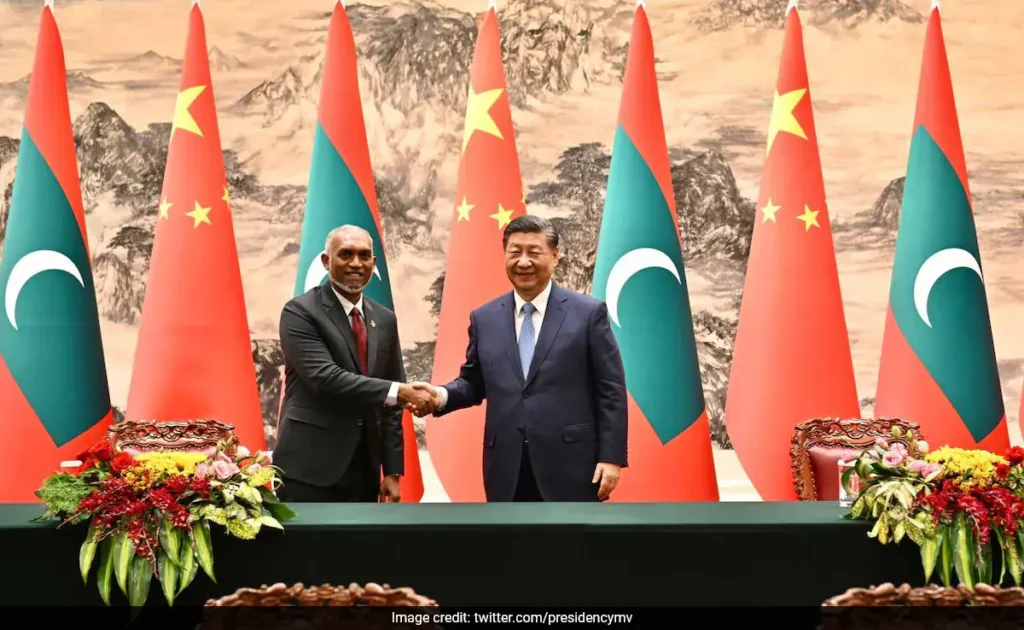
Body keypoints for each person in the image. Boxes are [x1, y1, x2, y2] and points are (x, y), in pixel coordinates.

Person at [414, 215, 628, 502]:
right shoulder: (484, 318)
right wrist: (440, 396)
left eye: (533, 252)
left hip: (573, 466)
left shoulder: (588, 314)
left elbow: (610, 389)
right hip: (506, 467)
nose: (523, 262)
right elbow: (474, 383)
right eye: (515, 252)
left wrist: (611, 457)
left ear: (555, 256)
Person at [274, 225, 436, 503]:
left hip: (363, 471)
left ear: (374, 263)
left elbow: (391, 406)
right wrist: (400, 391)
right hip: (307, 468)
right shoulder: (300, 312)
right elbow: (325, 377)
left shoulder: (384, 319)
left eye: (364, 255)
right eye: (346, 254)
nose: (356, 263)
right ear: (327, 261)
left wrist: (392, 471)